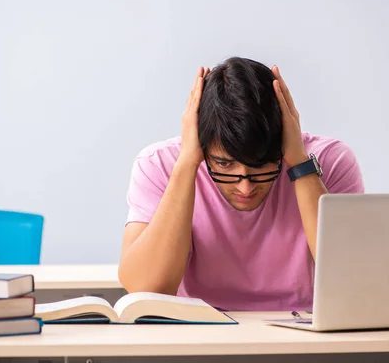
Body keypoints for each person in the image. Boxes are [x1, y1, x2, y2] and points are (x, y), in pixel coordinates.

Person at [118, 57, 364, 311]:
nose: (245, 188)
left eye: (262, 165)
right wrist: (186, 165)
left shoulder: (331, 162)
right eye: (225, 165)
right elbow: (144, 288)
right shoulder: (159, 165)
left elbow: (353, 281)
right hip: (199, 337)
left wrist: (300, 164)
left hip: (306, 337)